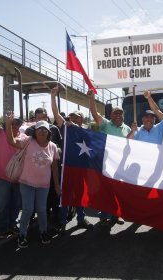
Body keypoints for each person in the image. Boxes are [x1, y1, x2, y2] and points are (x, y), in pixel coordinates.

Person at [5, 113, 60, 248]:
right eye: (39, 129)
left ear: (48, 133)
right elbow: (11, 141)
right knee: (28, 210)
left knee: (42, 210)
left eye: (44, 129)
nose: (41, 131)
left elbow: (54, 168)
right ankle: (22, 234)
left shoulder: (53, 147)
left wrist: (57, 185)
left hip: (44, 185)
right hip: (26, 183)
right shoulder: (28, 141)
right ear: (35, 131)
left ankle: (43, 231)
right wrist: (8, 123)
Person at [50, 85, 94, 232]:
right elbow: (56, 114)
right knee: (65, 195)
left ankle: (81, 219)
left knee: (81, 195)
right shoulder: (66, 127)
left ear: (82, 118)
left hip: (82, 169)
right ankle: (62, 222)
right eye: (72, 116)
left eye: (78, 116)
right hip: (67, 167)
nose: (75, 118)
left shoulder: (87, 131)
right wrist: (53, 96)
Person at [88, 89, 131, 227]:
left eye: (120, 113)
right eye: (115, 113)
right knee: (105, 189)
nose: (118, 115)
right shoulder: (106, 124)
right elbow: (95, 114)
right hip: (106, 162)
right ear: (111, 115)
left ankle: (118, 214)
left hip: (120, 164)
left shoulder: (128, 129)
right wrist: (92, 98)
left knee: (119, 189)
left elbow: (131, 145)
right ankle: (104, 213)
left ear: (123, 116)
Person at [0, 95, 27, 239]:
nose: (15, 126)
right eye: (12, 123)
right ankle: (3, 228)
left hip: (18, 178)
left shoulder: (23, 138)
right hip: (3, 178)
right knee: (3, 204)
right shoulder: (0, 134)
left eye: (17, 124)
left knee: (16, 204)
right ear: (7, 124)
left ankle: (13, 225)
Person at [25, 107, 62, 226]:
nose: (41, 119)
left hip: (52, 170)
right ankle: (36, 223)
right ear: (35, 118)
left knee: (54, 196)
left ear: (47, 117)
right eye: (38, 117)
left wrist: (54, 149)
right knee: (39, 201)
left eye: (43, 117)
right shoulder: (29, 131)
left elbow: (61, 147)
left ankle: (56, 220)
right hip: (35, 173)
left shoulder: (54, 129)